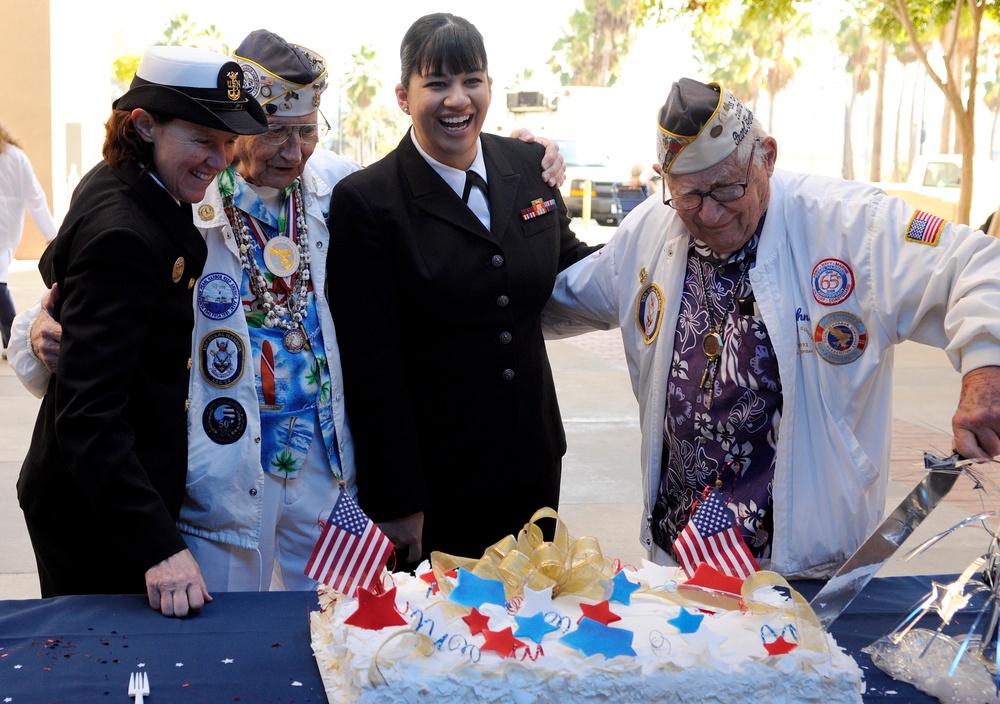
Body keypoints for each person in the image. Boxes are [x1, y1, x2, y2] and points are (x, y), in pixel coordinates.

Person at [11, 30, 567, 591]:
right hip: (221, 478)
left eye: (307, 131)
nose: (293, 151)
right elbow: (78, 287)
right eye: (275, 133)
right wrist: (36, 327)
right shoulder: (185, 193)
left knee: (346, 628)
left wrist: (524, 154)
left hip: (326, 472)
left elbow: (431, 180)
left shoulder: (340, 189)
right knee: (225, 640)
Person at [543, 77, 1000, 579]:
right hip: (678, 568)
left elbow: (978, 265)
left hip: (805, 570)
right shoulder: (653, 226)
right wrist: (514, 175)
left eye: (727, 188)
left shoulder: (852, 225)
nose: (710, 213)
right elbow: (552, 296)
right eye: (690, 195)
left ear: (767, 156)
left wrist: (986, 368)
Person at [326, 13, 597, 565]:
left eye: (471, 80)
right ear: (404, 96)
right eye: (437, 84)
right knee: (450, 638)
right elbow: (371, 365)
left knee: (532, 625)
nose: (457, 100)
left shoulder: (528, 165)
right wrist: (398, 498)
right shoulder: (369, 201)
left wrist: (666, 237)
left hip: (533, 459)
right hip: (438, 480)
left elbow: (573, 264)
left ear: (490, 87)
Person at [16, 45, 268, 616]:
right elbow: (88, 415)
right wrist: (158, 547)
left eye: (229, 143)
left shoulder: (124, 178)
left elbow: (55, 263)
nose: (220, 160)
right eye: (204, 140)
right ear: (145, 124)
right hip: (96, 512)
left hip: (113, 487)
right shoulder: (126, 233)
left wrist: (57, 315)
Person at [0, 122, 57, 353]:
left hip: (6, 223)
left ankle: (12, 338)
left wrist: (51, 234)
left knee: (0, 280)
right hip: (11, 224)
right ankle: (10, 339)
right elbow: (35, 197)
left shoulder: (14, 157)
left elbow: (35, 196)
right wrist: (50, 233)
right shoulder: (17, 156)